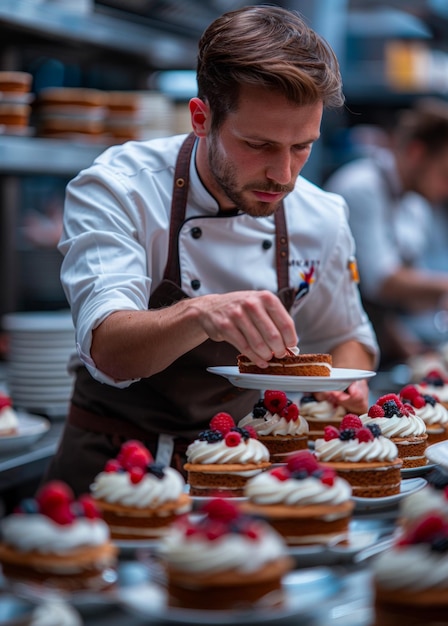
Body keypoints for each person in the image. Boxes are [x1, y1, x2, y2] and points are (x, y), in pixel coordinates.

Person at [44, 5, 378, 495]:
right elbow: (109, 348)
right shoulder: (119, 189)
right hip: (110, 471)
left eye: (302, 147)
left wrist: (344, 388)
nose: (283, 175)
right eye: (258, 144)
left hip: (243, 474)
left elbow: (345, 336)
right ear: (201, 118)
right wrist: (202, 313)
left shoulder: (321, 216)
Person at [325, 99, 448, 367]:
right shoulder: (361, 187)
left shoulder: (415, 206)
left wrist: (414, 352)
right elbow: (381, 281)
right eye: (444, 174)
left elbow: (394, 302)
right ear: (416, 152)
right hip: (332, 348)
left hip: (374, 343)